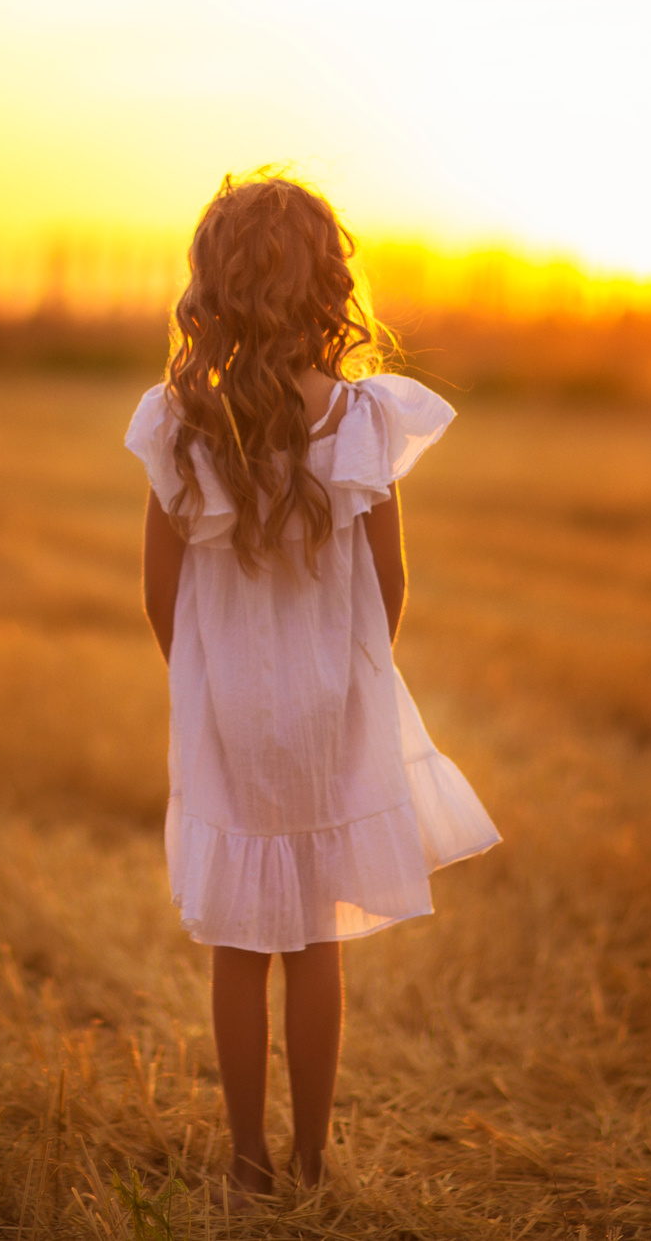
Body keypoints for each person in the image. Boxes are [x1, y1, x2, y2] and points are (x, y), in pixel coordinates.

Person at [124, 171, 500, 1205]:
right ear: (325, 280)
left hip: (228, 710)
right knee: (317, 937)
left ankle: (246, 1166)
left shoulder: (178, 420)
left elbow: (161, 593)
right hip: (333, 699)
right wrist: (353, 678)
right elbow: (392, 579)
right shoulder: (364, 418)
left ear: (212, 284)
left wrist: (201, 688)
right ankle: (310, 1163)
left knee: (239, 942)